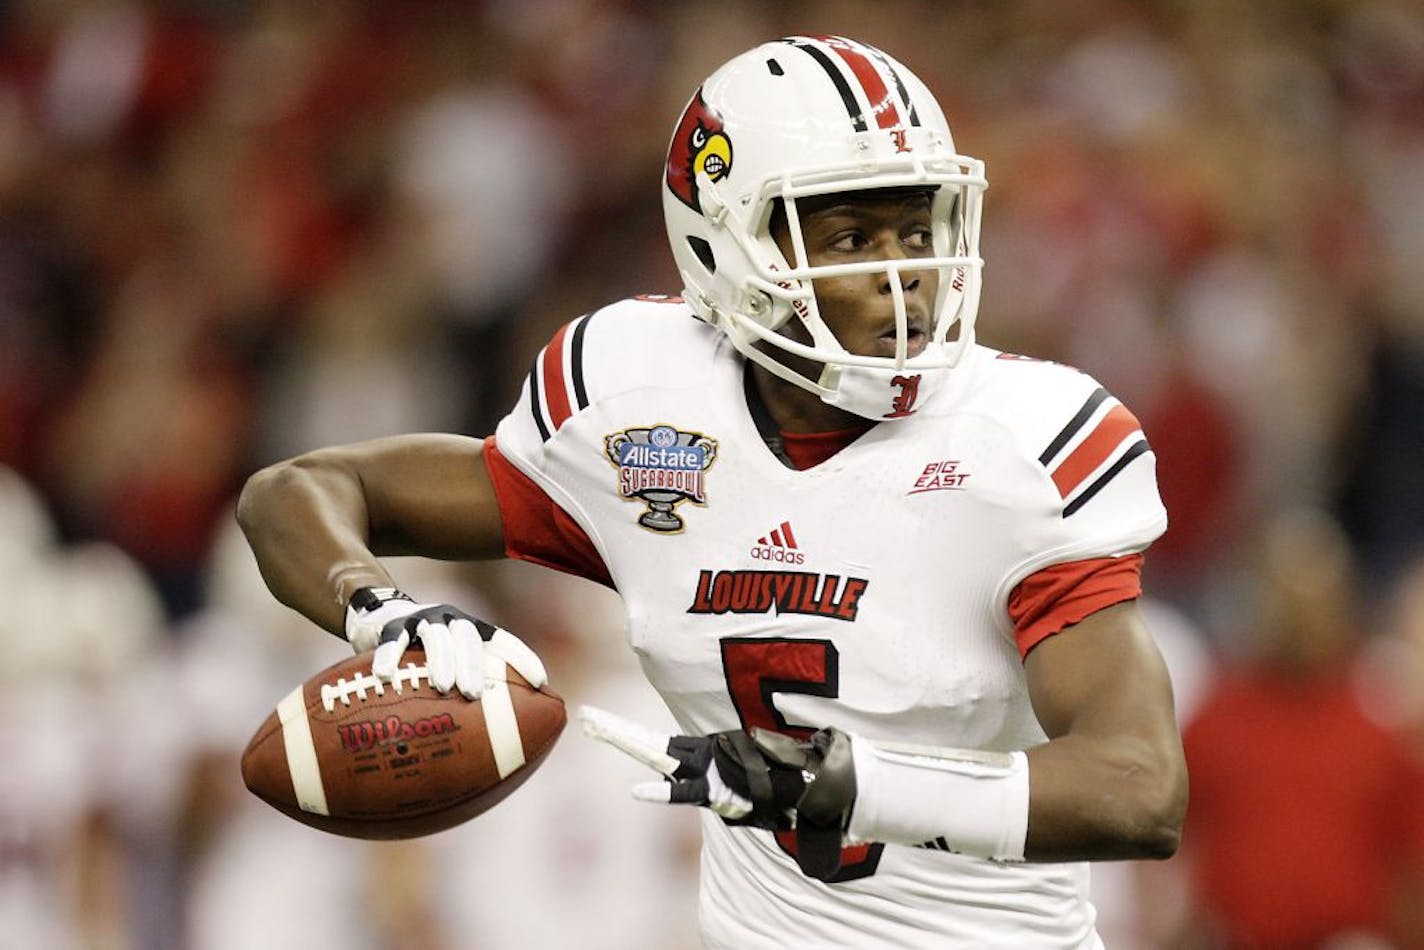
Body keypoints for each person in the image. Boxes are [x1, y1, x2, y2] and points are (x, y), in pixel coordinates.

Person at [238, 35, 1186, 948]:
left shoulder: (1022, 441)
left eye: (917, 228)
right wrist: (380, 613)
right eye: (853, 236)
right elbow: (300, 491)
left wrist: (847, 785)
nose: (907, 280)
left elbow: (1139, 787)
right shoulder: (638, 403)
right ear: (727, 248)